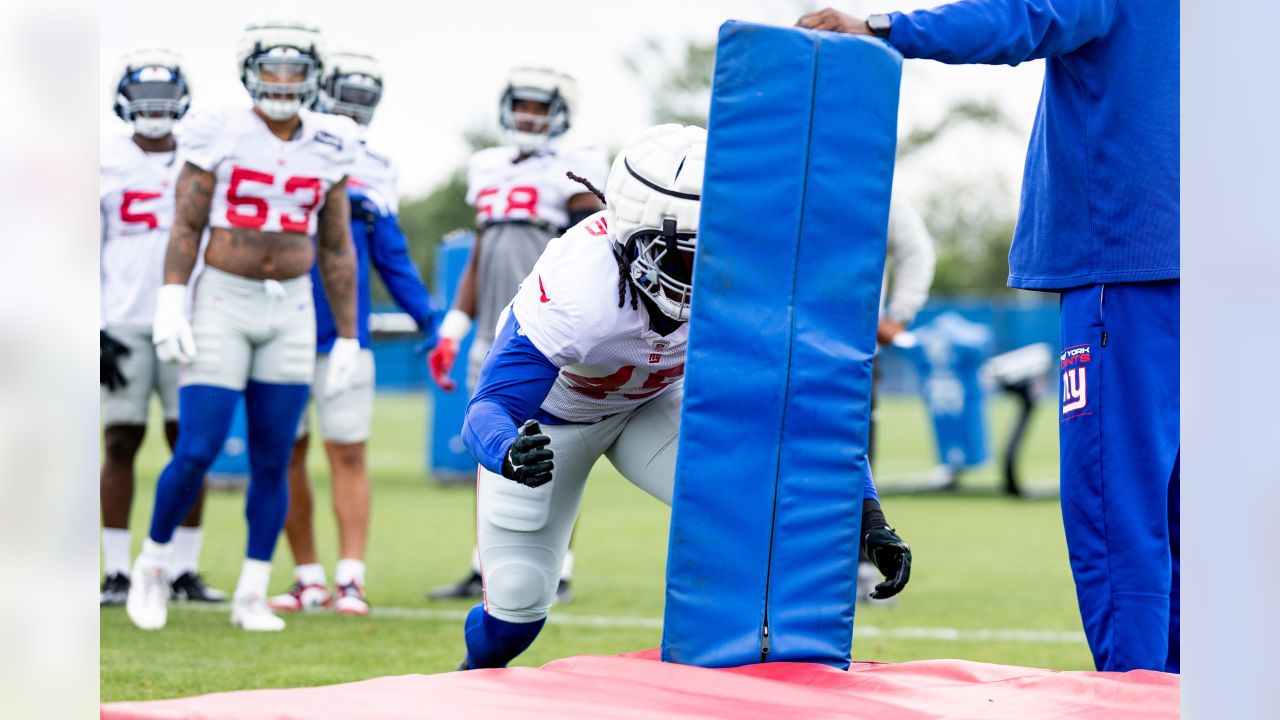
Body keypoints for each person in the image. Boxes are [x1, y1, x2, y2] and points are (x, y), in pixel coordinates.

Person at [798, 1, 1179, 672]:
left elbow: (1023, 17)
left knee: (1121, 515)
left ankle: (1140, 703)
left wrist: (885, 29)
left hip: (1131, 264)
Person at [456, 123, 912, 669]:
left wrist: (868, 517)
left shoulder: (744, 276)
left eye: (717, 251)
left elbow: (807, 409)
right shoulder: (581, 287)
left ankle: (751, 667)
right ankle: (470, 685)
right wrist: (508, 449)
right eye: (685, 256)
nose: (708, 273)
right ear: (632, 238)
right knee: (515, 610)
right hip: (553, 424)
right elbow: (489, 408)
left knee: (750, 501)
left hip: (653, 404)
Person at [125, 19, 362, 632]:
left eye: (294, 68)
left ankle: (252, 588)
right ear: (249, 69)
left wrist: (347, 333)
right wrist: (173, 297)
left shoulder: (333, 141)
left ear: (313, 75)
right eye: (271, 67)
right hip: (225, 298)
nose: (281, 81)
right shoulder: (217, 128)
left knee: (274, 454)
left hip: (291, 306)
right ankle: (151, 566)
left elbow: (336, 246)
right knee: (198, 447)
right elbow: (187, 222)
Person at [427, 66, 607, 604]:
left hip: (546, 332)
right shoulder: (486, 167)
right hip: (492, 331)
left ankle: (560, 565)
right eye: (522, 105)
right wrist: (453, 328)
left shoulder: (577, 165)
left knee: (555, 448)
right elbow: (479, 256)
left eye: (539, 107)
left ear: (559, 114)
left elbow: (594, 244)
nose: (528, 116)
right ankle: (485, 563)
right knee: (489, 441)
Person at [268, 50, 438, 616]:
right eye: (346, 93)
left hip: (345, 335)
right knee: (286, 453)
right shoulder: (277, 147)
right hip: (279, 327)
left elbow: (391, 254)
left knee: (348, 452)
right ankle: (307, 577)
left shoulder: (377, 163)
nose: (352, 109)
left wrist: (431, 322)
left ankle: (350, 579)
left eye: (365, 99)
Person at [100, 49, 225, 606]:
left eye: (164, 100)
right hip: (121, 318)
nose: (154, 111)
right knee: (120, 440)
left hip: (190, 319)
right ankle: (116, 569)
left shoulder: (202, 158)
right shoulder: (101, 161)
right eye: (144, 100)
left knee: (190, 442)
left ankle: (181, 570)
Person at [859, 194, 935, 604]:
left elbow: (916, 249)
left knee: (856, 452)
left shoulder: (874, 185)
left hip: (852, 347)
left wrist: (898, 314)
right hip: (777, 342)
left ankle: (857, 564)